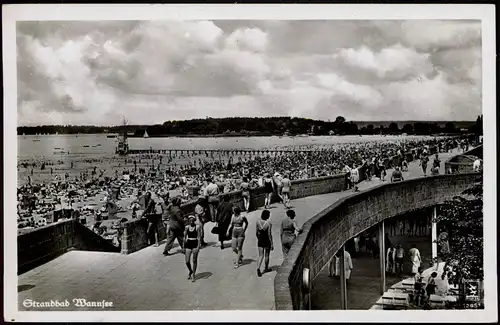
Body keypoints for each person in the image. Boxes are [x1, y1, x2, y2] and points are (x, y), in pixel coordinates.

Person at [256, 210, 273, 277]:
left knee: (260, 255)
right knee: (267, 255)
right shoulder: (269, 223)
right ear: (267, 215)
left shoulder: (257, 222)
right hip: (267, 241)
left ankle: (258, 268)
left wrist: (258, 238)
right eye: (269, 215)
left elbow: (256, 232)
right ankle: (266, 268)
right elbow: (269, 234)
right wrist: (272, 243)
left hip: (260, 240)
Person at [184, 215, 201, 282]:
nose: (191, 222)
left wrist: (198, 247)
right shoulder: (187, 227)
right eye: (190, 221)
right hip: (188, 244)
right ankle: (190, 270)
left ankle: (193, 274)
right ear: (188, 221)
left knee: (194, 260)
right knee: (187, 261)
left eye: (192, 220)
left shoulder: (197, 227)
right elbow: (184, 237)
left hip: (195, 243)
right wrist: (183, 246)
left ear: (194, 220)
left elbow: (199, 237)